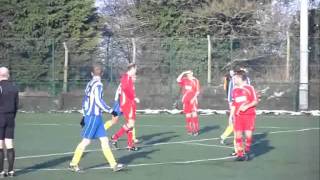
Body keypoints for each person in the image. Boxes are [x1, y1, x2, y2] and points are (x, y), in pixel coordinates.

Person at [69, 64, 125, 172]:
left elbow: (85, 101)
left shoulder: (89, 84)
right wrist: (111, 111)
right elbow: (98, 101)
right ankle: (73, 163)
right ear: (102, 74)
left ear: (91, 73)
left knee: (104, 140)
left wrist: (84, 115)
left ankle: (113, 165)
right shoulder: (98, 85)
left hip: (95, 116)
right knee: (86, 141)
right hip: (93, 117)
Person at [229, 70, 258, 161]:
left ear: (241, 78)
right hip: (238, 116)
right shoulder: (235, 89)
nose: (234, 79)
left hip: (249, 115)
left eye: (236, 77)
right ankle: (240, 154)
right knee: (238, 135)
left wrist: (246, 107)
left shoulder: (249, 88)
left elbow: (255, 101)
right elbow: (234, 103)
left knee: (248, 134)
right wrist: (231, 115)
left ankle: (247, 151)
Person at [111, 63, 139, 151]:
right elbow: (125, 89)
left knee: (131, 125)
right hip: (127, 104)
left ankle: (130, 145)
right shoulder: (126, 77)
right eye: (135, 69)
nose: (136, 71)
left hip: (131, 104)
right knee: (130, 124)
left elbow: (128, 89)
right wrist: (133, 98)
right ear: (132, 69)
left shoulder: (129, 79)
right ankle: (115, 137)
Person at [104, 78, 139, 144]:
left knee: (130, 121)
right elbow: (120, 95)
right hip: (118, 104)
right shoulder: (124, 84)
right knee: (114, 121)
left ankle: (133, 138)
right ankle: (101, 132)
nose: (135, 78)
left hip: (125, 104)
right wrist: (120, 106)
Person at [0, 67, 19, 177]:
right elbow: (16, 105)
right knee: (10, 144)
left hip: (0, 117)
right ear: (8, 75)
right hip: (11, 117)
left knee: (0, 145)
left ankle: (2, 171)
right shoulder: (14, 87)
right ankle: (11, 171)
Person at [177, 70, 200, 136]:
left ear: (192, 73)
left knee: (194, 114)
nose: (189, 74)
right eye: (188, 73)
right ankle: (189, 130)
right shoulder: (184, 79)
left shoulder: (195, 80)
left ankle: (196, 130)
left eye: (190, 73)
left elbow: (197, 91)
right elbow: (178, 80)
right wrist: (183, 72)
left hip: (193, 100)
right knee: (188, 115)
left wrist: (194, 98)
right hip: (185, 100)